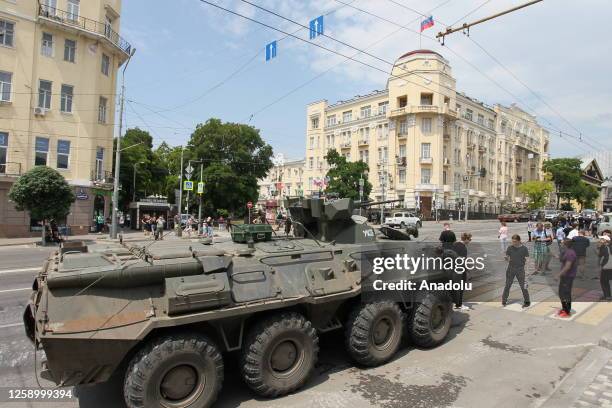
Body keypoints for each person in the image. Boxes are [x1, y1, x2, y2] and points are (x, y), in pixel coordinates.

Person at [502, 234, 531, 308]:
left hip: (520, 269)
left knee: (523, 286)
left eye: (515, 241)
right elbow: (508, 258)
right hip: (511, 268)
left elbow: (527, 259)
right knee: (507, 285)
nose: (513, 243)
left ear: (519, 241)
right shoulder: (510, 248)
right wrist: (506, 258)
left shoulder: (524, 248)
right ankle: (504, 300)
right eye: (512, 241)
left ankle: (527, 301)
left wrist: (528, 270)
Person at [557, 239, 578, 318]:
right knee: (561, 293)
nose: (560, 244)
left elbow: (567, 266)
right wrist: (551, 254)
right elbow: (561, 260)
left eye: (562, 243)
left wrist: (558, 275)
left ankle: (567, 311)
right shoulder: (565, 252)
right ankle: (564, 308)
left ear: (565, 245)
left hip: (568, 276)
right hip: (564, 276)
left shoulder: (570, 253)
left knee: (566, 293)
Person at [452, 233, 472, 311]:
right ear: (466, 239)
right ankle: (459, 305)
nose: (470, 241)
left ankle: (455, 303)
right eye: (469, 239)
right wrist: (467, 271)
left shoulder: (455, 244)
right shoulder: (463, 248)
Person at [598, 235, 612, 300]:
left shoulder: (604, 247)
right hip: (609, 266)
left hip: (607, 266)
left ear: (605, 241)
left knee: (603, 281)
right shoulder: (608, 246)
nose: (600, 240)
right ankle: (607, 295)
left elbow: (600, 255)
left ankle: (607, 295)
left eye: (601, 239)